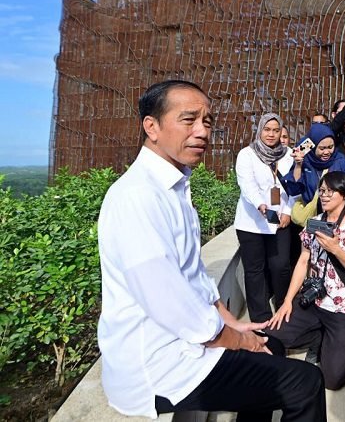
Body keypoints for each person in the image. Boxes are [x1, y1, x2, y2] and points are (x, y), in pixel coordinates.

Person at [97, 80, 324, 420]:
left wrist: (234, 323)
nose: (202, 131)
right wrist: (233, 338)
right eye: (188, 120)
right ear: (152, 127)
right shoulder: (137, 197)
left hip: (184, 344)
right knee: (304, 382)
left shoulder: (174, 186)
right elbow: (166, 297)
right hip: (161, 364)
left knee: (271, 344)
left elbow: (194, 275)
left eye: (207, 121)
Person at [266, 171, 345, 390]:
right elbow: (303, 261)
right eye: (322, 190)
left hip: (343, 307)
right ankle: (319, 337)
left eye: (330, 191)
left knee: (332, 380)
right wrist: (287, 301)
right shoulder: (314, 222)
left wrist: (335, 248)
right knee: (271, 338)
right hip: (314, 300)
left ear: (344, 195)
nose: (323, 196)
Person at [233, 113, 295, 323]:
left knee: (281, 266)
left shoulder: (289, 155)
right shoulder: (246, 154)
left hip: (281, 221)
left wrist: (287, 211)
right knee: (255, 270)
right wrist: (262, 205)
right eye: (267, 129)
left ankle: (283, 309)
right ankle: (261, 319)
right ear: (259, 130)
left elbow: (295, 186)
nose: (271, 134)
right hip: (252, 222)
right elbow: (247, 184)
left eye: (275, 130)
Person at [282, 122, 345, 220]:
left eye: (330, 147)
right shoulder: (305, 158)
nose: (326, 152)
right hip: (310, 217)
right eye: (322, 148)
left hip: (336, 217)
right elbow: (294, 190)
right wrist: (298, 165)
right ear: (313, 146)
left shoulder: (340, 161)